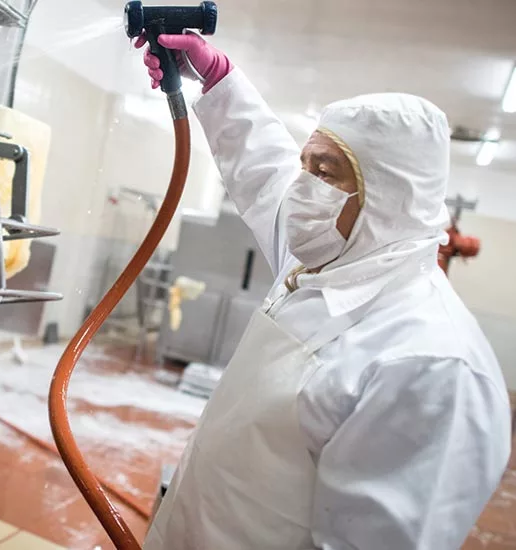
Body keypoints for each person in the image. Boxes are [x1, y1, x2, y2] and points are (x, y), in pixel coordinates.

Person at [135, 33, 512, 550]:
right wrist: (219, 80)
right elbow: (263, 170)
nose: (302, 189)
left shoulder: (431, 366)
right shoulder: (326, 260)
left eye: (325, 172)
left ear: (388, 197)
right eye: (305, 166)